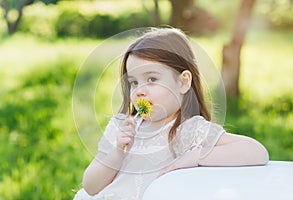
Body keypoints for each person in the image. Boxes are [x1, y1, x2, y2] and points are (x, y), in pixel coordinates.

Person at [74, 27, 269, 200]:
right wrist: (117, 153)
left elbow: (257, 152)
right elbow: (90, 187)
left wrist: (196, 156)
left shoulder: (189, 131)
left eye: (151, 78)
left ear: (183, 82)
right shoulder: (121, 127)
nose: (140, 90)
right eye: (133, 82)